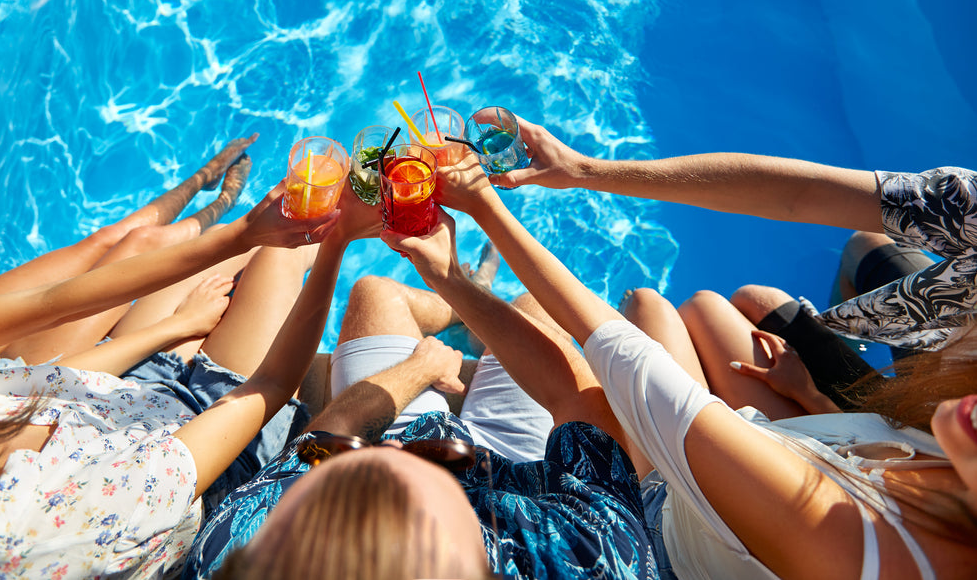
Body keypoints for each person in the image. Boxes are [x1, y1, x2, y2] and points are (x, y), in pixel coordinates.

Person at [438, 151, 977, 579]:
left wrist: (486, 209)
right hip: (798, 452)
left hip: (671, 517)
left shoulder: (855, 544)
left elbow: (634, 365)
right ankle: (462, 305)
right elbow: (797, 193)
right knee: (707, 308)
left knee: (637, 315)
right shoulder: (954, 456)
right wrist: (813, 396)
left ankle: (460, 301)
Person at [0, 182, 378, 579]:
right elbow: (268, 385)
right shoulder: (62, 522)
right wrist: (338, 240)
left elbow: (55, 353)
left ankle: (223, 207)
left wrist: (237, 240)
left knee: (247, 250)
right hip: (216, 449)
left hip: (132, 396)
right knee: (287, 254)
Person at [185, 218, 659, 579]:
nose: (387, 448)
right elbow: (577, 400)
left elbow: (325, 443)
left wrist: (421, 368)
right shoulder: (588, 559)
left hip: (431, 424)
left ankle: (463, 310)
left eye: (361, 473)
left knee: (376, 292)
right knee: (533, 313)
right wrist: (450, 276)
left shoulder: (254, 548)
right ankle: (475, 299)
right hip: (524, 470)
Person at [493, 118, 977, 384]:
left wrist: (811, 398)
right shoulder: (968, 204)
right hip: (941, 340)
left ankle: (846, 382)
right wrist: (584, 170)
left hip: (922, 433)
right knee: (867, 242)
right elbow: (799, 194)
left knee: (713, 310)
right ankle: (848, 344)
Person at [0, 135, 258, 365]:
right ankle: (222, 202)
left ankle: (202, 178)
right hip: (6, 385)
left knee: (104, 238)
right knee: (139, 242)